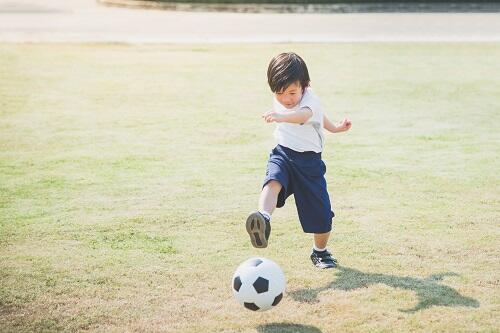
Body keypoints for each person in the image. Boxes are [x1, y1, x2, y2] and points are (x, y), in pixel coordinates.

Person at [245, 52, 352, 269]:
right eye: (279, 93)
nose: (286, 99)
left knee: (321, 215)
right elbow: (318, 117)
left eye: (292, 93)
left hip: (309, 162)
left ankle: (320, 252)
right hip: (283, 152)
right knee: (273, 181)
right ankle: (263, 218)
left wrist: (335, 128)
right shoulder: (282, 93)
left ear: (304, 85)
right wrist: (335, 127)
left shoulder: (310, 99)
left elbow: (307, 115)